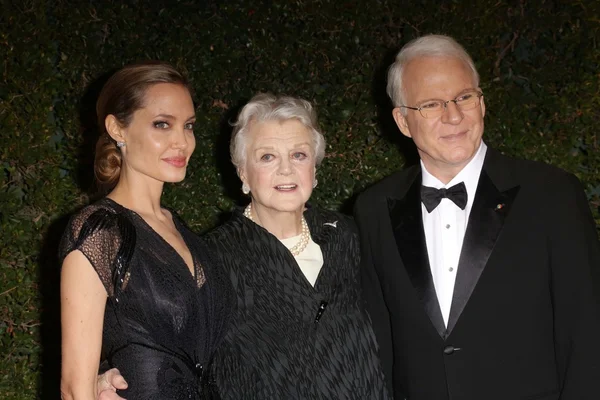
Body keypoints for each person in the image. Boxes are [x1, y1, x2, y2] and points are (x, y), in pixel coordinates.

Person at [354, 34, 600, 400]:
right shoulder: (372, 208)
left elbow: (587, 334)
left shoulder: (553, 194)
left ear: (482, 103)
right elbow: (379, 340)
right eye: (432, 104)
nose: (454, 116)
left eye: (464, 97)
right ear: (403, 122)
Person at [97, 93, 390, 399]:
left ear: (314, 169)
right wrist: (109, 374)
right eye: (267, 157)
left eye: (299, 155)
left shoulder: (348, 235)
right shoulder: (211, 257)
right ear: (243, 173)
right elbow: (161, 336)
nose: (286, 170)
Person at [59, 61, 232, 400]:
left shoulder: (184, 231)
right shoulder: (100, 230)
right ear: (118, 129)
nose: (182, 142)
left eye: (189, 126)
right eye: (162, 124)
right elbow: (74, 388)